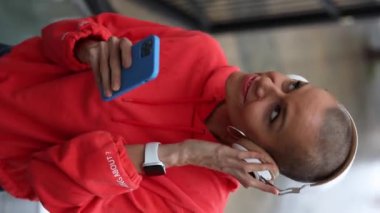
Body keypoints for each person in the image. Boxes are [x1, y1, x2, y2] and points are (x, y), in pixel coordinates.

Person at [0, 13, 355, 212]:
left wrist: (174, 154)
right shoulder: (201, 51)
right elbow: (57, 35)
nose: (267, 85)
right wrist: (88, 49)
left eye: (274, 114)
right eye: (293, 86)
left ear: (260, 163)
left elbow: (47, 181)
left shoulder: (192, 205)